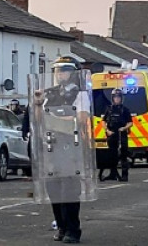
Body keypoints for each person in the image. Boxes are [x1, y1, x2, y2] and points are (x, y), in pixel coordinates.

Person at [32, 57, 92, 244]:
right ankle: (61, 226)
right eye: (57, 70)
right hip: (51, 145)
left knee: (69, 190)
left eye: (64, 70)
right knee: (54, 190)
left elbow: (80, 119)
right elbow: (39, 120)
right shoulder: (49, 94)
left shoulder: (79, 94)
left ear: (73, 73)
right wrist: (38, 105)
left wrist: (54, 121)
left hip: (71, 146)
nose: (60, 74)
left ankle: (73, 230)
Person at [101, 88, 133, 182]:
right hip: (112, 134)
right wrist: (107, 130)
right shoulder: (109, 109)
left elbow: (130, 122)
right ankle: (113, 174)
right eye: (115, 97)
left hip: (121, 134)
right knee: (112, 155)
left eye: (118, 97)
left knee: (123, 155)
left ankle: (124, 175)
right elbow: (103, 121)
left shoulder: (125, 110)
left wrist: (124, 128)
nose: (117, 99)